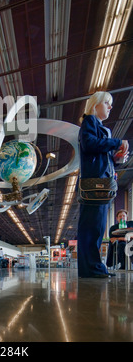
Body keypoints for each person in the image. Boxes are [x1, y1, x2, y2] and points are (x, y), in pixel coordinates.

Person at [77, 91, 129, 278]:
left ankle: (93, 267)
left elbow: (97, 153)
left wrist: (115, 158)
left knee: (96, 228)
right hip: (95, 184)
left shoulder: (98, 126)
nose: (110, 107)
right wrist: (116, 142)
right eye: (107, 103)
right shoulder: (90, 121)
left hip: (100, 183)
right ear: (95, 104)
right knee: (92, 228)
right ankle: (90, 268)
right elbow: (89, 144)